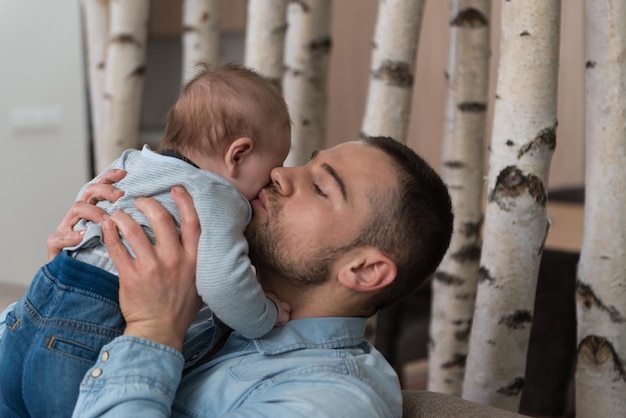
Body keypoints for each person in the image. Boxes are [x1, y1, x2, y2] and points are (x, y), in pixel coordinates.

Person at [21, 136, 453, 417]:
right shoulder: (202, 302)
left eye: (321, 188)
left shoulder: (330, 401)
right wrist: (76, 287)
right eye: (305, 163)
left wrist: (153, 332)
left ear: (364, 269)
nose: (280, 173)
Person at [0, 63, 292, 418]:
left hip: (40, 301)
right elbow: (222, 281)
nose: (271, 181)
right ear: (238, 155)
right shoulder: (218, 195)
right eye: (271, 168)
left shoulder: (132, 161)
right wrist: (265, 314)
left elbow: (86, 206)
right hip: (95, 322)